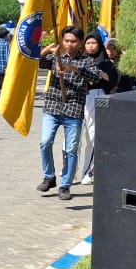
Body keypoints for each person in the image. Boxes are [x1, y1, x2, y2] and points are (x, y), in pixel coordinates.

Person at [37, 27, 104, 201]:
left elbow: (95, 77)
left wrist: (71, 68)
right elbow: (35, 61)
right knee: (45, 142)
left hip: (73, 109)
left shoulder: (87, 61)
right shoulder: (56, 57)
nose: (69, 44)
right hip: (52, 106)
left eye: (73, 41)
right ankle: (49, 176)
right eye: (66, 40)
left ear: (80, 42)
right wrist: (48, 49)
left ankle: (65, 185)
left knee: (71, 149)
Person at [77, 31, 119, 186]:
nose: (91, 46)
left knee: (93, 136)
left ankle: (90, 171)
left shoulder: (105, 62)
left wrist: (98, 71)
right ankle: (70, 170)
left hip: (95, 96)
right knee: (74, 136)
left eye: (94, 43)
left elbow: (112, 80)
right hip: (77, 98)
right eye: (88, 43)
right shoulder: (79, 59)